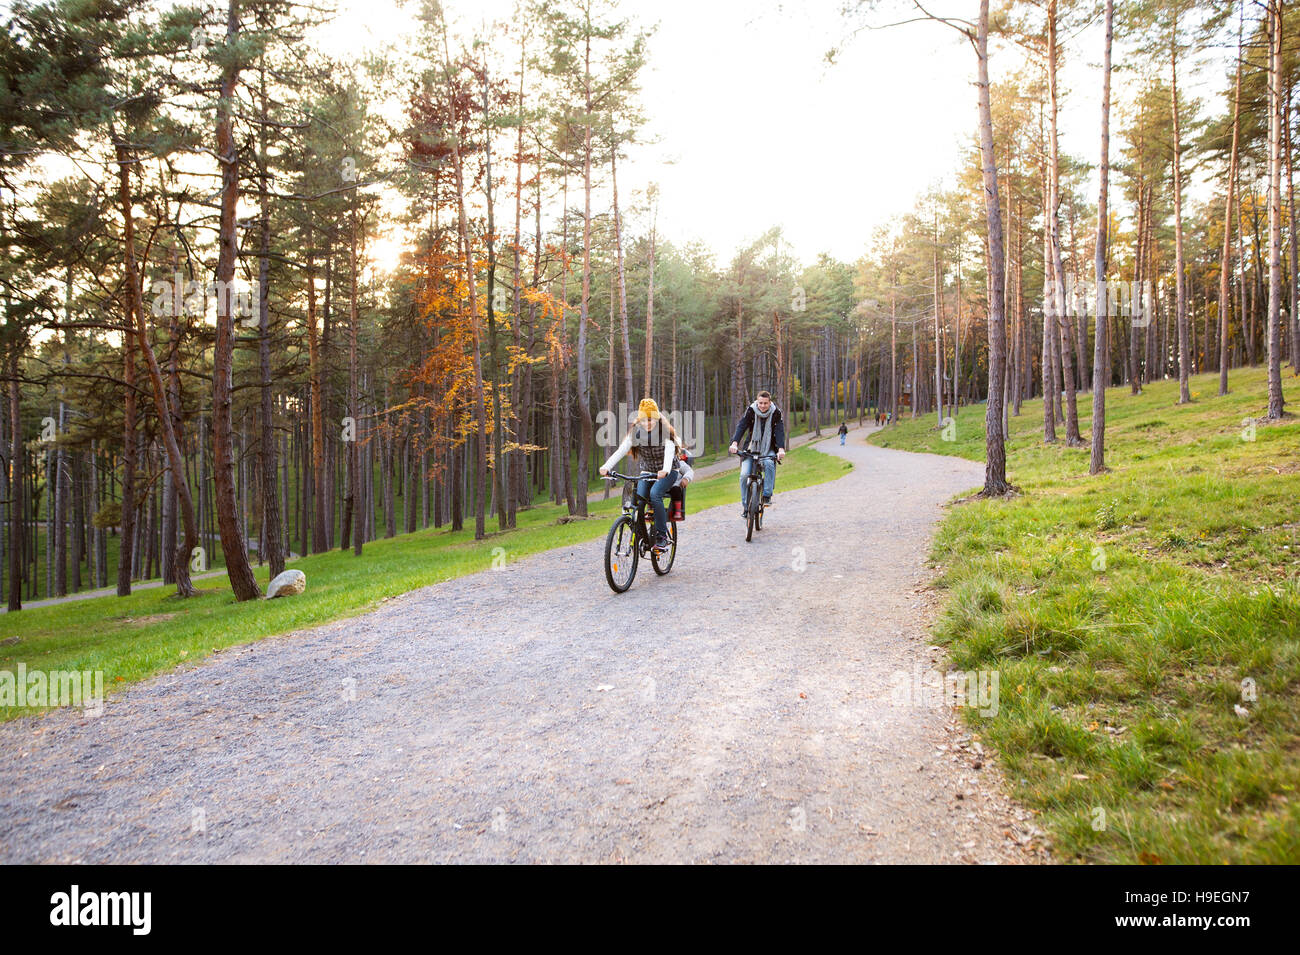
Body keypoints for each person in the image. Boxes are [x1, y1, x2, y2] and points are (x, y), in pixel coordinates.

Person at [599, 398, 685, 550]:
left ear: (657, 418)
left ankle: (661, 536)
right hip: (648, 471)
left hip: (669, 471)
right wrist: (606, 466)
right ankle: (639, 533)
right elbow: (621, 450)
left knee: (655, 493)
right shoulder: (636, 433)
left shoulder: (665, 433)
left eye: (651, 419)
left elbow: (669, 453)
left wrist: (664, 470)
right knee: (639, 499)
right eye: (644, 420)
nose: (648, 423)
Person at [728, 390, 786, 518]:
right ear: (757, 402)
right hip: (751, 447)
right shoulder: (751, 410)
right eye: (760, 403)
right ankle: (745, 506)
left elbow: (780, 430)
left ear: (770, 402)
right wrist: (735, 443)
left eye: (765, 403)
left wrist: (781, 449)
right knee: (744, 475)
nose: (763, 406)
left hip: (768, 447)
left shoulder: (776, 412)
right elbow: (742, 426)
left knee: (769, 463)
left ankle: (766, 495)